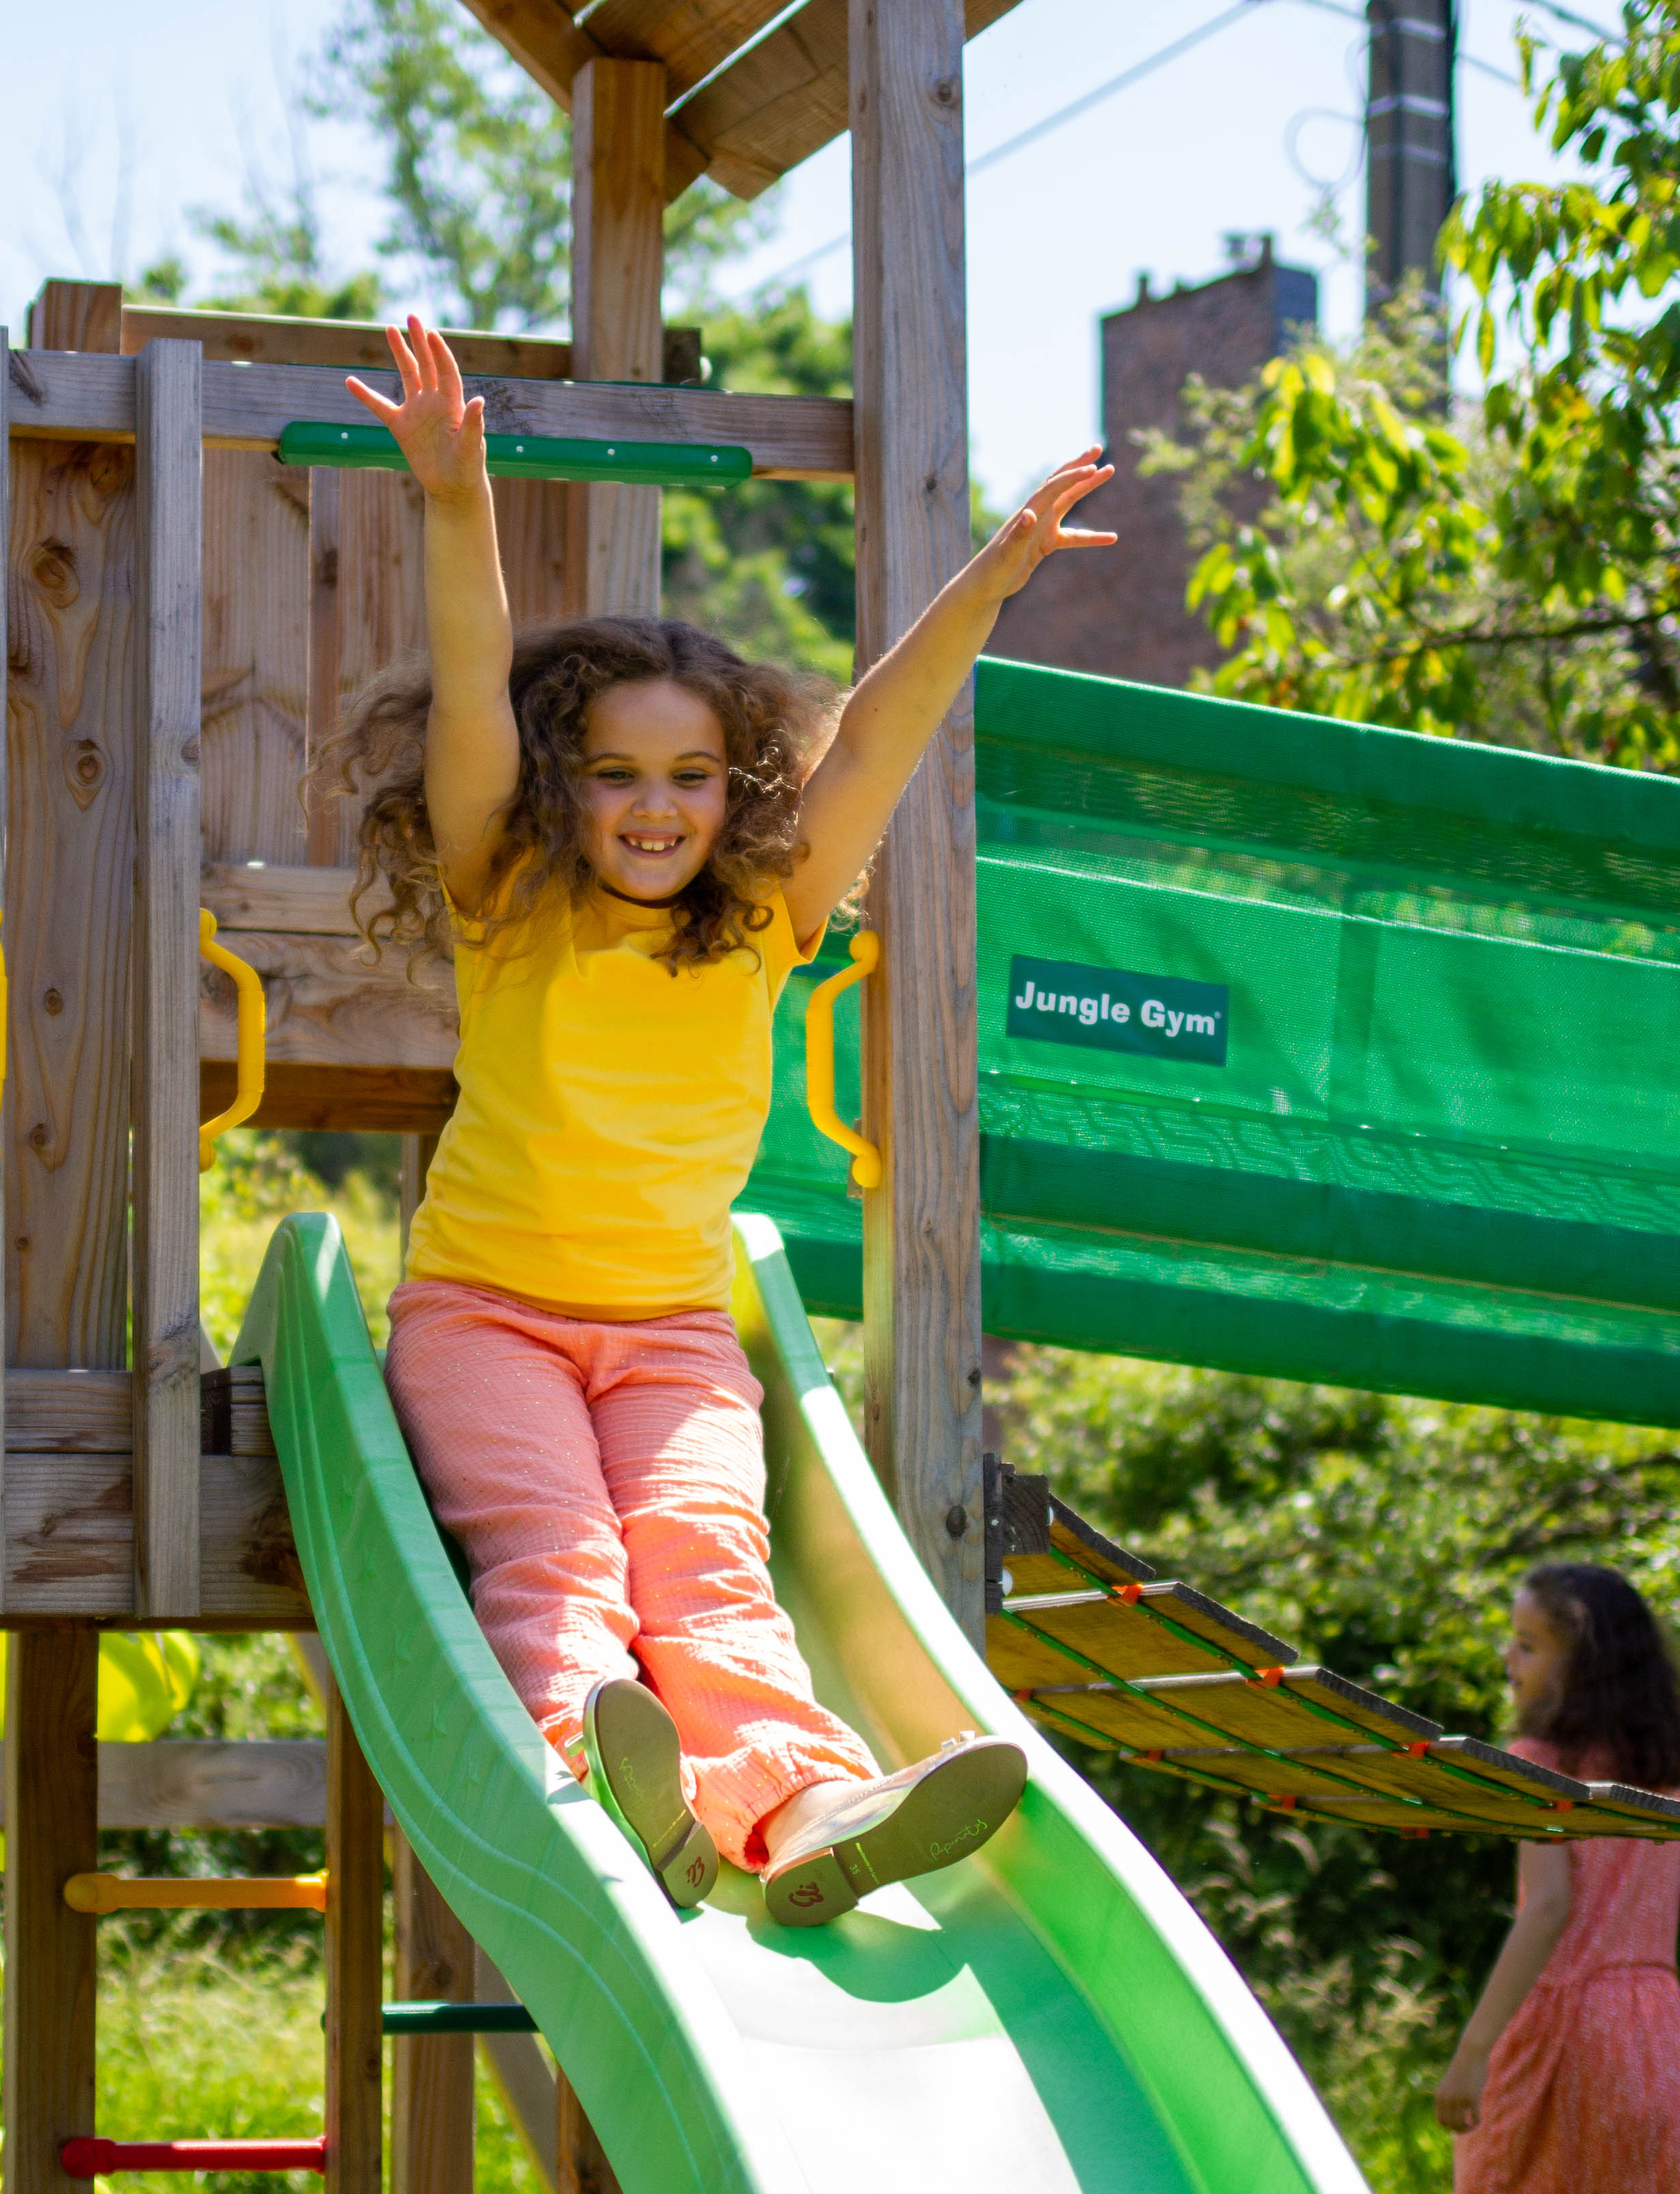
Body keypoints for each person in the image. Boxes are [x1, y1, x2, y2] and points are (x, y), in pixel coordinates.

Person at [320, 317, 1114, 1927]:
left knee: (707, 1570)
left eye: (688, 773)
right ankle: (605, 1775)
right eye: (612, 773)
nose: (654, 804)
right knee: (563, 1563)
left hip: (675, 1332)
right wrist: (453, 499)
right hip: (486, 1319)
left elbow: (878, 737)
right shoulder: (509, 900)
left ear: (731, 785)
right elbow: (471, 683)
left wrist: (989, 580)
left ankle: (798, 1807)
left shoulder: (760, 916)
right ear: (560, 785)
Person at [1435, 1563, 1680, 2194]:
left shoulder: (1537, 1762)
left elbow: (1548, 1908)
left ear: (1579, 1660)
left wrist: (1473, 2051)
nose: (1507, 1660)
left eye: (1527, 1645)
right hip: (1651, 2020)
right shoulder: (1667, 1764)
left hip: (1559, 2014)